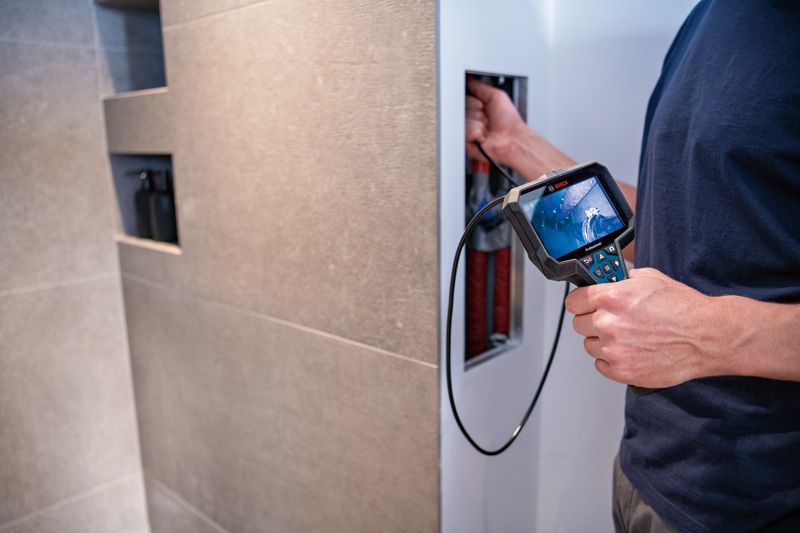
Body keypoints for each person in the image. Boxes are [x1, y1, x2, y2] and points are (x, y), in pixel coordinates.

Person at [465, 2, 800, 532]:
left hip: (757, 505)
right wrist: (516, 145)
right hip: (644, 471)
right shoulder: (710, 17)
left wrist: (706, 332)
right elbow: (687, 226)